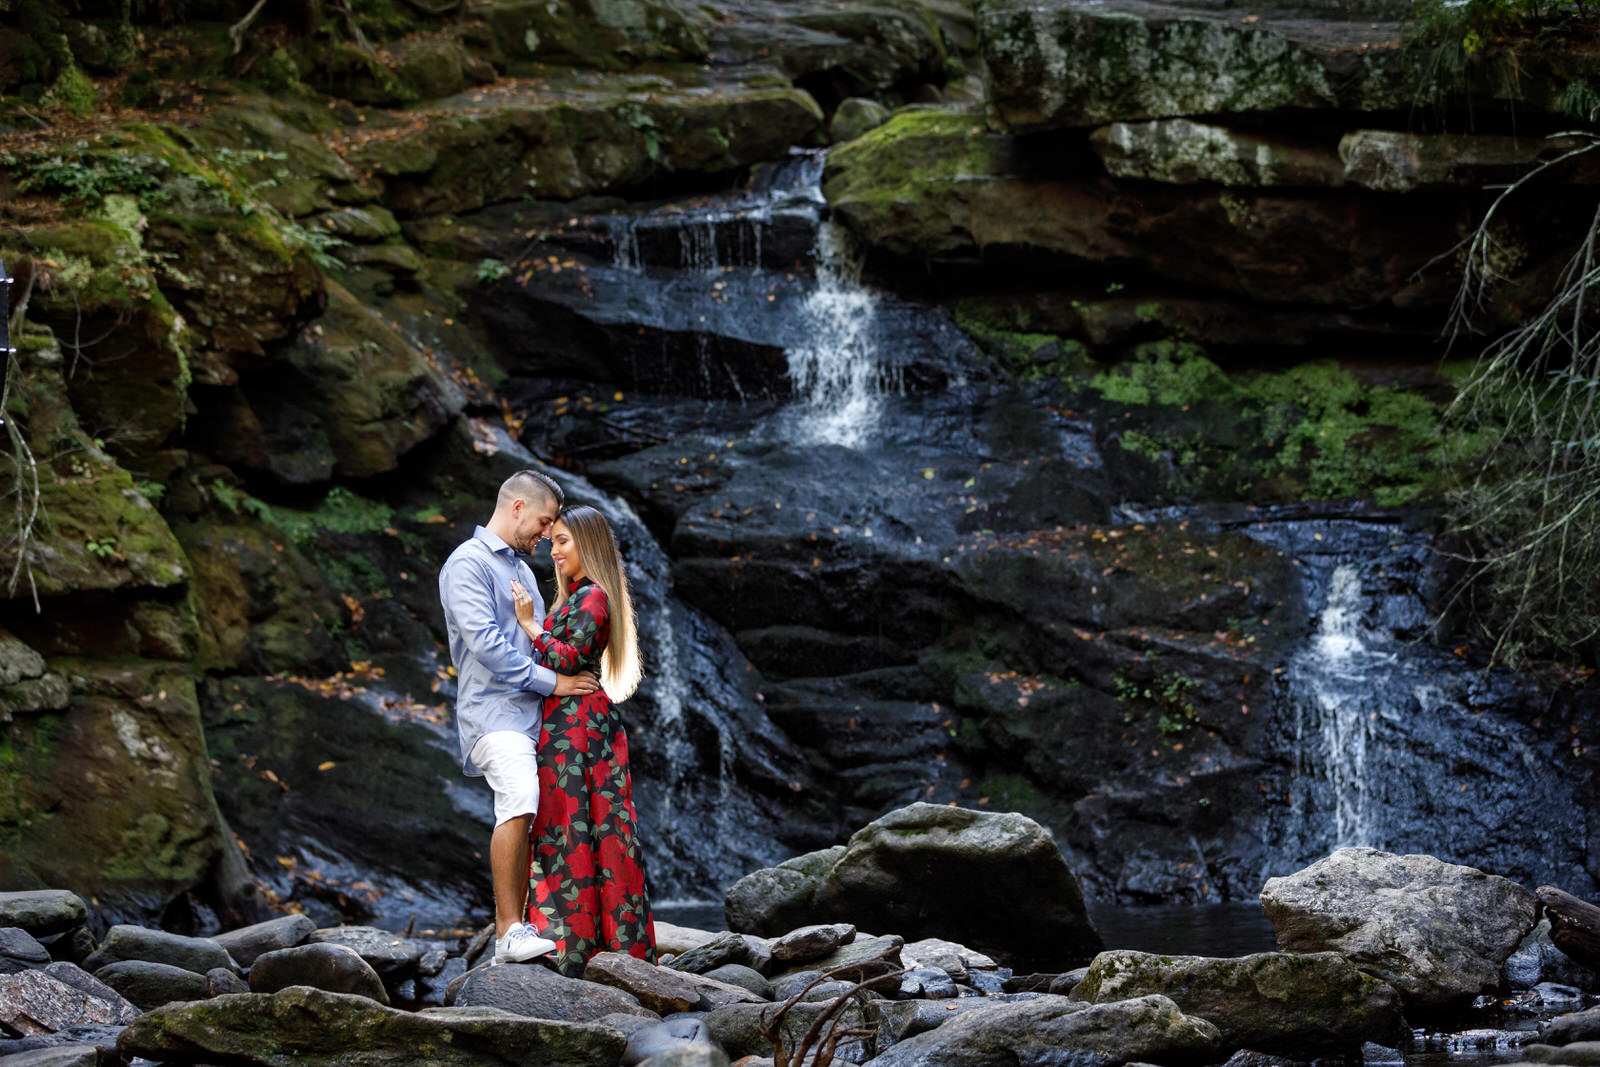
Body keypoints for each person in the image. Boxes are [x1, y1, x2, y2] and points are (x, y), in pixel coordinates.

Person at [438, 469, 601, 966]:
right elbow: (486, 646)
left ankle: (556, 926)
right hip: (495, 717)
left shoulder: (525, 573)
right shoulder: (466, 565)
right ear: (516, 508)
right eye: (544, 521)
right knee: (520, 795)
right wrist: (557, 684)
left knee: (558, 818)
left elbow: (543, 641)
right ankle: (508, 932)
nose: (546, 535)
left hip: (542, 721)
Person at [510, 503, 656, 976]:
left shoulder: (593, 596)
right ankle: (589, 948)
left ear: (587, 545)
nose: (554, 552)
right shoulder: (576, 598)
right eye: (552, 543)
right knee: (575, 828)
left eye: (563, 542)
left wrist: (531, 625)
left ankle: (578, 952)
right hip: (570, 725)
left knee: (573, 828)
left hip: (578, 729)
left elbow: (570, 660)